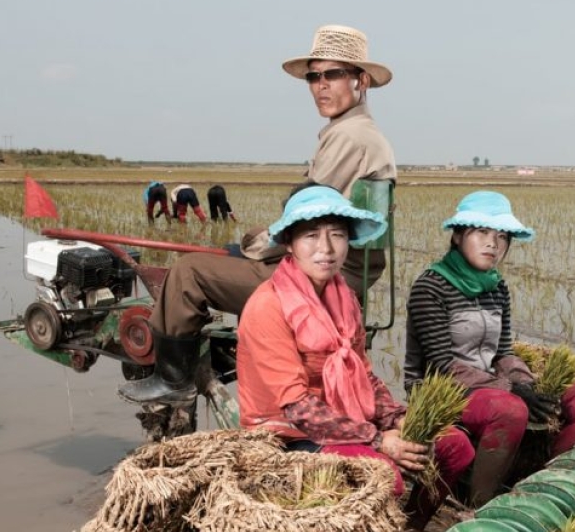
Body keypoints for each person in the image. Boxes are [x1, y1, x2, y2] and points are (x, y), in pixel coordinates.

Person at [120, 24, 395, 405]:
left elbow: (307, 217)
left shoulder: (350, 137)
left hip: (320, 276)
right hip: (340, 270)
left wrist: (253, 246)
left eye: (333, 74)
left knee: (187, 273)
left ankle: (173, 380)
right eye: (314, 77)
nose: (320, 86)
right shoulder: (355, 132)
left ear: (360, 80)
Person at [236, 185, 474, 532]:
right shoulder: (268, 306)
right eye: (311, 236)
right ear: (289, 243)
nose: (326, 248)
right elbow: (297, 408)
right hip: (288, 432)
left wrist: (397, 418)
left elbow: (364, 373)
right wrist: (379, 440)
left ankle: (409, 529)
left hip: (345, 419)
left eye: (337, 235)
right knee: (384, 477)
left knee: (456, 446)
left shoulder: (344, 297)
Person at [405, 191, 575, 508]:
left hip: (487, 384)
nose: (492, 244)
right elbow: (441, 366)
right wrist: (510, 389)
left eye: (501, 236)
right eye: (481, 232)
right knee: (511, 409)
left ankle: (544, 485)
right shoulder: (431, 287)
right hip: (441, 388)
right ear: (458, 236)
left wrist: (524, 382)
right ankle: (480, 505)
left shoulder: (496, 287)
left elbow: (502, 352)